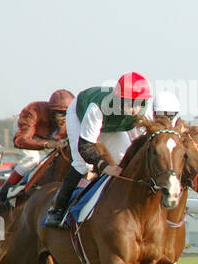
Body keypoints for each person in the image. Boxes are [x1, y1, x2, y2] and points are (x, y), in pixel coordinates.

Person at [43, 72, 152, 227]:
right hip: (80, 113)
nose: (135, 109)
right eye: (130, 102)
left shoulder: (144, 110)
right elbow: (85, 146)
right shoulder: (97, 108)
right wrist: (104, 166)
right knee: (82, 165)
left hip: (113, 124)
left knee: (123, 162)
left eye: (139, 102)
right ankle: (56, 209)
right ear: (119, 99)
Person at [0, 89, 73, 213]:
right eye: (61, 113)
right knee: (33, 159)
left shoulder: (72, 119)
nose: (64, 118)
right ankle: (1, 195)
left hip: (47, 136)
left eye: (67, 113)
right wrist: (46, 144)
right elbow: (20, 141)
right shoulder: (33, 111)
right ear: (51, 111)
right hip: (25, 132)